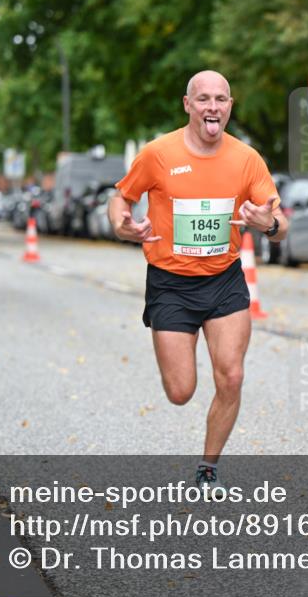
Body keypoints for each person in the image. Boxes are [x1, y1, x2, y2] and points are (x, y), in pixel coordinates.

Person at [109, 70, 288, 495]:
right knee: (180, 391)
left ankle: (208, 468)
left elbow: (281, 226)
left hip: (224, 279)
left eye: (221, 99)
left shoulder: (247, 159)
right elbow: (122, 197)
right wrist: (122, 225)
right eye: (204, 98)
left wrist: (269, 224)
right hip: (170, 282)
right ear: (187, 105)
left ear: (230, 106)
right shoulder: (158, 154)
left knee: (232, 376)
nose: (213, 106)